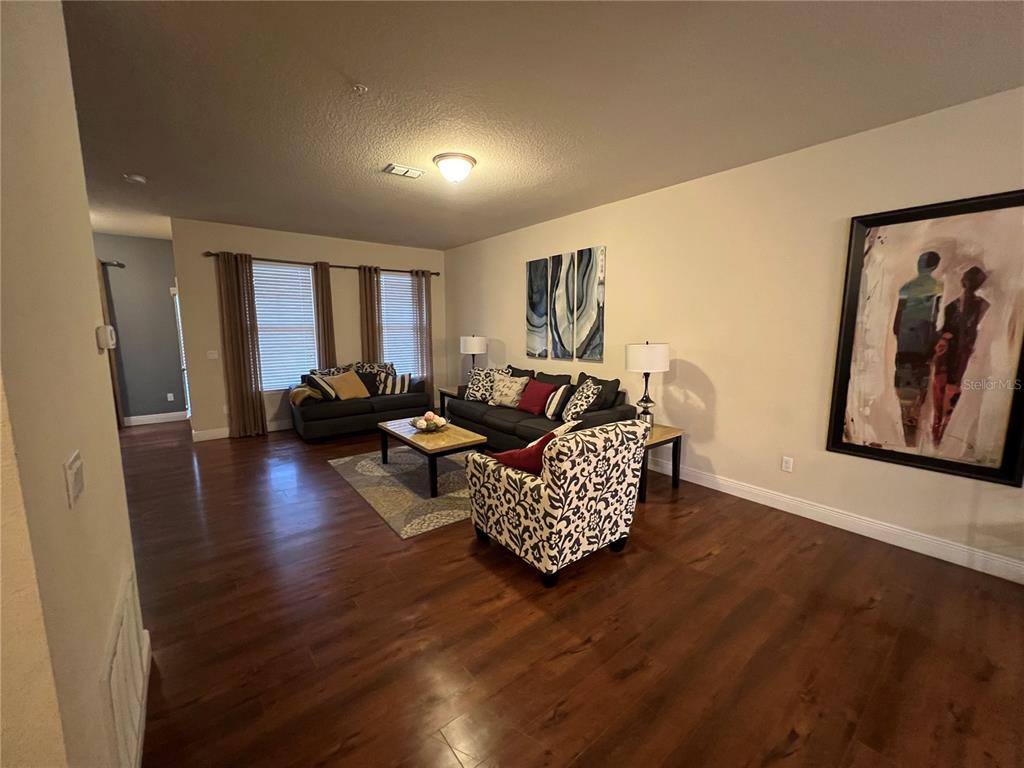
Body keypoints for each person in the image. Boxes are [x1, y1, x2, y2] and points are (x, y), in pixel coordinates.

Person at [931, 265, 989, 446]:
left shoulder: (979, 305)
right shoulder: (957, 305)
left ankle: (940, 429)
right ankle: (939, 429)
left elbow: (949, 330)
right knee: (945, 389)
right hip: (953, 352)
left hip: (961, 354)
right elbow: (946, 330)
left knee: (947, 390)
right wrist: (945, 338)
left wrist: (945, 338)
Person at [893, 251, 942, 446]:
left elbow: (897, 320)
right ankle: (911, 425)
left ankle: (908, 426)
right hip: (921, 338)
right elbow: (935, 315)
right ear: (934, 266)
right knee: (919, 379)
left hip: (908, 338)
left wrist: (901, 332)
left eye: (921, 262)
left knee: (906, 379)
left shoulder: (907, 287)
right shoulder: (937, 286)